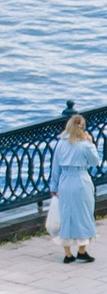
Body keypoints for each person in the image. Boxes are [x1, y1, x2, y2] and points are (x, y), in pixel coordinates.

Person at [59, 112, 101, 266]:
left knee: (66, 215)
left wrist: (54, 186)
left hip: (65, 179)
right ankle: (82, 250)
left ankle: (67, 253)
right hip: (80, 178)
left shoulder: (61, 143)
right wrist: (90, 143)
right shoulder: (84, 145)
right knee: (84, 213)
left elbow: (55, 166)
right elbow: (95, 161)